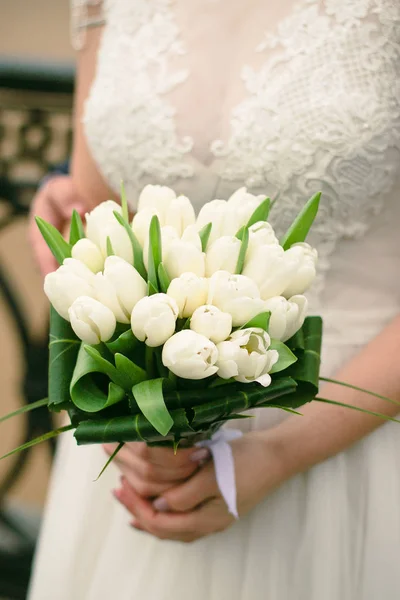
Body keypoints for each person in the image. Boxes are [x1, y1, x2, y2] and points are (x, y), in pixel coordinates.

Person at [28, 1, 400, 599]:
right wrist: (137, 425)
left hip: (351, 433)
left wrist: (280, 455)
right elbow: (104, 208)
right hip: (148, 454)